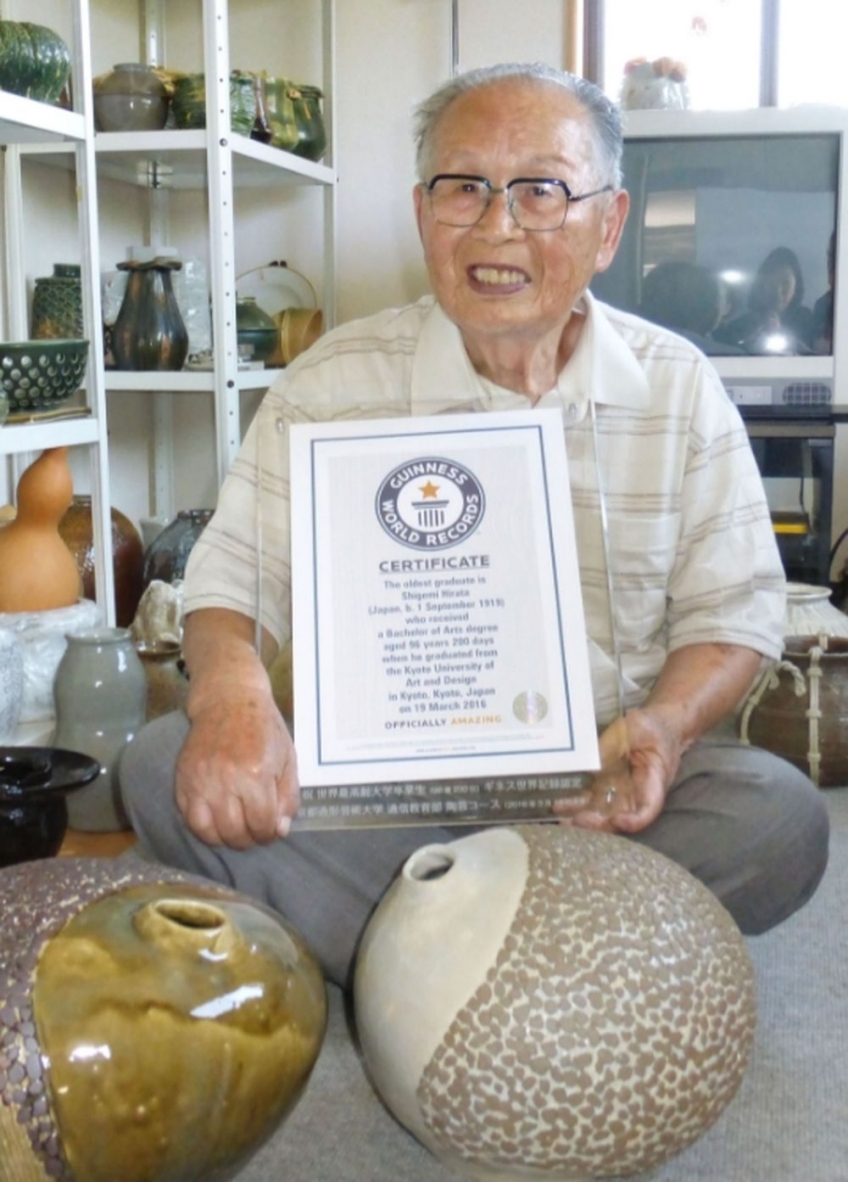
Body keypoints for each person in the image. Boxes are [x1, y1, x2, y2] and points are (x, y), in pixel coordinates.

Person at [121, 62, 829, 987]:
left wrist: (662, 727)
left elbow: (734, 613)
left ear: (608, 224)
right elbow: (229, 586)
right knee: (164, 764)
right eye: (466, 189)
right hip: (386, 794)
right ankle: (549, 963)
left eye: (542, 190)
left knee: (778, 816)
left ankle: (421, 960)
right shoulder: (331, 385)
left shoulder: (680, 386)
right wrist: (233, 702)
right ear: (424, 214)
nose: (499, 226)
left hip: (600, 791)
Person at [716, 246, 814, 354]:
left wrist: (781, 333)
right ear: (761, 285)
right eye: (772, 284)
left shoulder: (807, 322)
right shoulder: (742, 325)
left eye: (785, 284)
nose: (778, 292)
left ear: (796, 286)